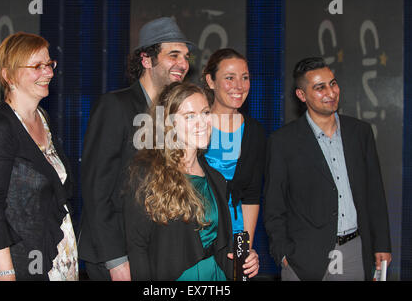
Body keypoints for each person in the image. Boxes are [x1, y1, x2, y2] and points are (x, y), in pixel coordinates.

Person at [78, 17, 192, 280]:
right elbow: (96, 190)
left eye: (186, 57)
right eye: (173, 55)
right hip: (118, 254)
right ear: (146, 59)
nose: (183, 64)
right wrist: (115, 260)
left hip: (159, 252)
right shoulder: (114, 106)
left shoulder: (175, 113)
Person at [263, 57, 392, 281]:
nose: (331, 93)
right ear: (301, 95)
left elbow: (375, 194)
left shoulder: (360, 133)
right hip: (303, 257)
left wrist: (382, 244)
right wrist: (283, 253)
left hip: (354, 250)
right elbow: (274, 205)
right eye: (320, 87)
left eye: (332, 83)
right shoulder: (282, 142)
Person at [124, 82, 259, 280]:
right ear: (169, 124)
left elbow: (221, 244)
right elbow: (137, 247)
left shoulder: (216, 179)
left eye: (205, 113)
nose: (202, 123)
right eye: (190, 117)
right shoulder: (147, 174)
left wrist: (246, 261)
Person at [0, 32, 78, 281]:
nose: (49, 72)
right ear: (8, 75)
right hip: (21, 263)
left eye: (49, 64)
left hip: (57, 255)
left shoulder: (42, 117)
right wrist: (7, 274)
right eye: (37, 66)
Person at [202, 48, 266, 255]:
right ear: (210, 81)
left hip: (235, 235)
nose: (239, 86)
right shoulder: (194, 125)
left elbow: (251, 196)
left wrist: (244, 250)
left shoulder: (254, 131)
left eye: (245, 78)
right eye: (230, 78)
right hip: (196, 234)